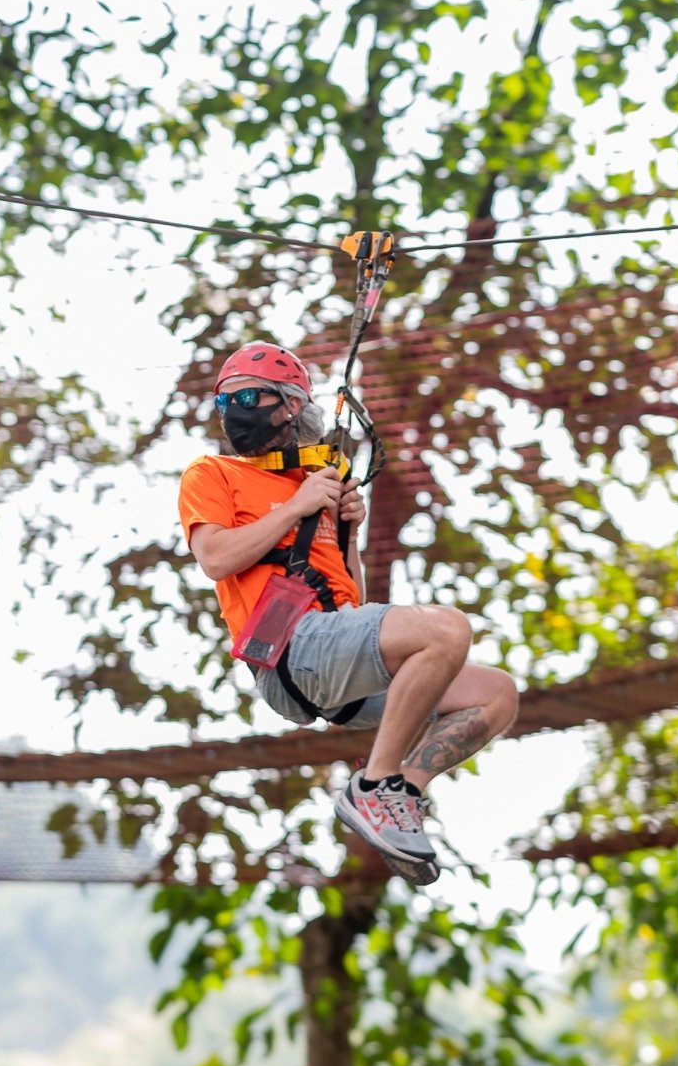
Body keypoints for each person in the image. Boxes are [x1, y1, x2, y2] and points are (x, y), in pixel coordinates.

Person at [177, 341, 521, 885]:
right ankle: (373, 785)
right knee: (445, 630)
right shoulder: (212, 472)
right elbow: (215, 559)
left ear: (291, 405)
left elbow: (350, 605)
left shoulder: (315, 482)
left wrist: (347, 535)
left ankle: (400, 791)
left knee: (496, 694)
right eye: (225, 402)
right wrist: (297, 506)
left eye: (247, 396)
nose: (233, 412)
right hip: (287, 649)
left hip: (330, 660)